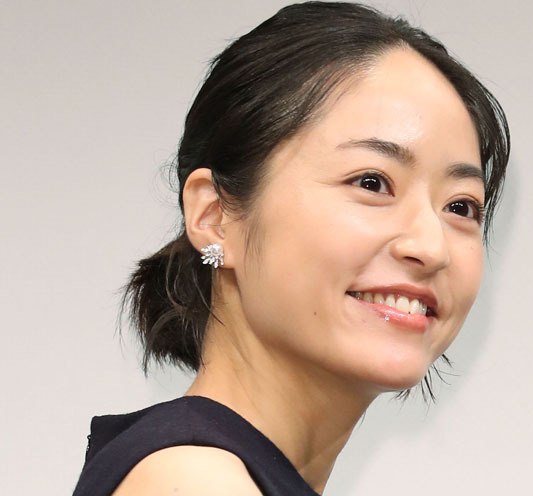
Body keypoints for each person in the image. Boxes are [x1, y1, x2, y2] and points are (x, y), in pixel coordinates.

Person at [73, 2, 510, 495]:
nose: (431, 247)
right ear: (215, 218)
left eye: (461, 207)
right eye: (372, 182)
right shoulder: (194, 482)